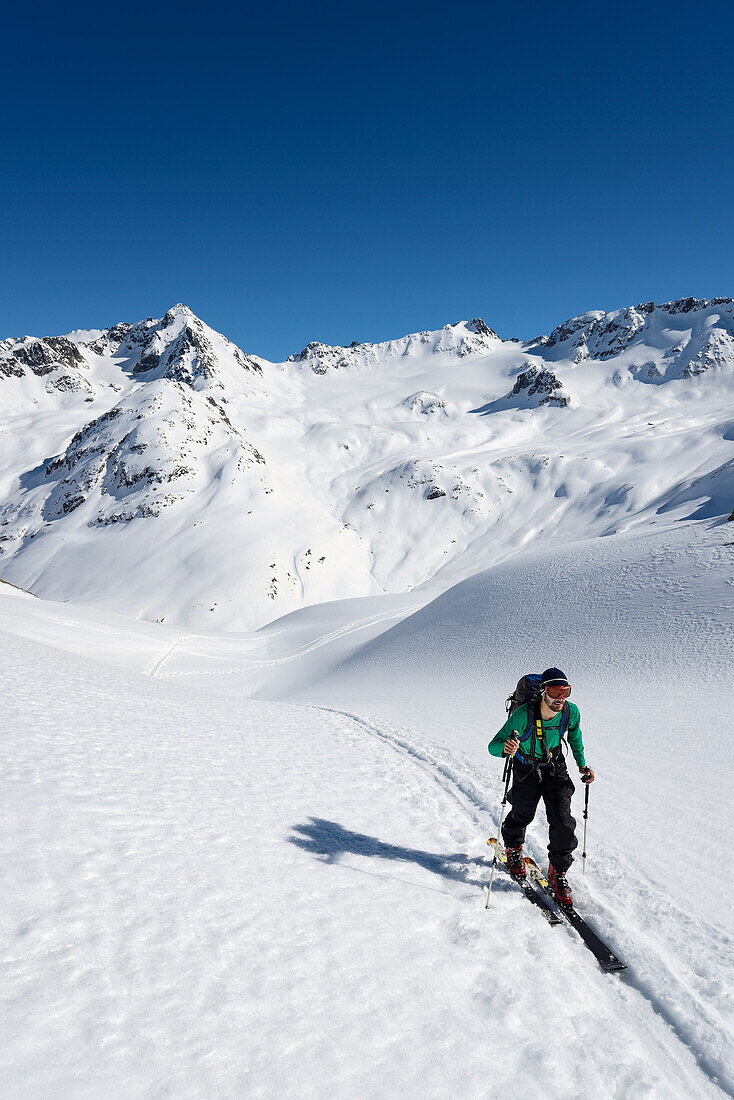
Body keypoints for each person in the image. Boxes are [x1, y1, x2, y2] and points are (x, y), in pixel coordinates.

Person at [487, 667, 595, 905]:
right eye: (555, 691)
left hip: (555, 767)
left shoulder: (570, 711)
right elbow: (493, 745)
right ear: (544, 691)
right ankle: (514, 849)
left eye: (566, 691)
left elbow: (575, 737)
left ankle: (558, 871)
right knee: (522, 812)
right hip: (525, 767)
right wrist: (505, 748)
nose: (561, 697)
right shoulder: (523, 715)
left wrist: (582, 766)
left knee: (562, 818)